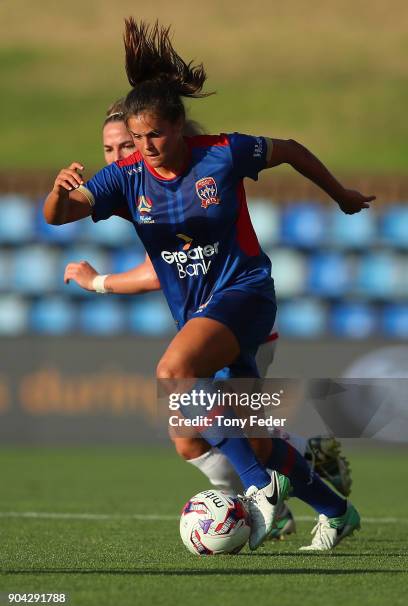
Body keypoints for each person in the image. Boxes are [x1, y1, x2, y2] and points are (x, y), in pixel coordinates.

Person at [44, 19, 372, 550]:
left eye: (152, 135)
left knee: (173, 372)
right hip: (201, 314)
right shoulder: (127, 179)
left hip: (244, 295)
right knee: (254, 441)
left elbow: (288, 148)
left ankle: (261, 489)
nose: (143, 147)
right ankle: (336, 510)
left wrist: (339, 195)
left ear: (178, 128)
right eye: (134, 139)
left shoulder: (221, 154)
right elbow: (57, 216)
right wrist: (59, 193)